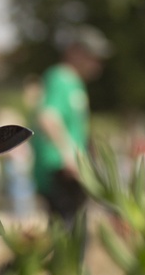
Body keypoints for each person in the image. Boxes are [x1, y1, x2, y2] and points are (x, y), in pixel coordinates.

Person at [30, 25, 111, 233]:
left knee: (75, 231)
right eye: (92, 55)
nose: (97, 62)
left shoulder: (75, 83)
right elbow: (47, 117)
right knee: (68, 235)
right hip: (59, 168)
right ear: (74, 51)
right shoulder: (60, 77)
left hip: (71, 168)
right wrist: (68, 155)